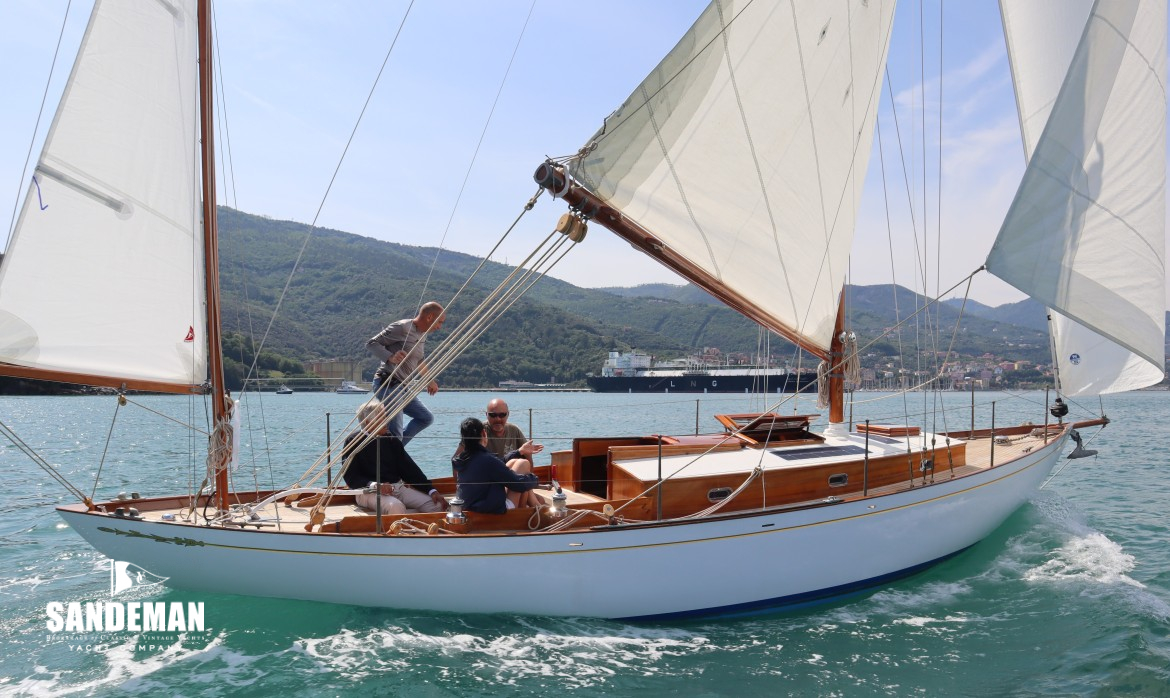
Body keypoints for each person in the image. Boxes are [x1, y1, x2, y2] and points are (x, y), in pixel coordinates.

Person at [341, 401, 447, 515]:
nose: (387, 421)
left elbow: (409, 469)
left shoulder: (390, 439)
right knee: (396, 506)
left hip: (396, 488)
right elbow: (350, 476)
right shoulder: (353, 441)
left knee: (437, 505)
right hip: (367, 491)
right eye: (382, 418)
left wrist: (431, 490)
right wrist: (375, 485)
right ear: (368, 422)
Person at [366, 302, 446, 445]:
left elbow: (419, 360)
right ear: (430, 317)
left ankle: (395, 451)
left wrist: (429, 380)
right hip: (388, 384)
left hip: (403, 387)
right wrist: (390, 357)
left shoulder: (423, 334)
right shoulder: (402, 327)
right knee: (396, 432)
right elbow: (372, 343)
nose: (439, 327)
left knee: (425, 418)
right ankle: (393, 455)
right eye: (439, 322)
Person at [452, 417, 540, 514]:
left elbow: (497, 464)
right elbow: (517, 485)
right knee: (523, 464)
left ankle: (535, 507)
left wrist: (519, 451)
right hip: (490, 511)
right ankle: (531, 510)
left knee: (513, 462)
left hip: (469, 508)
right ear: (483, 433)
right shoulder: (487, 460)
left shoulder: (463, 458)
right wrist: (535, 479)